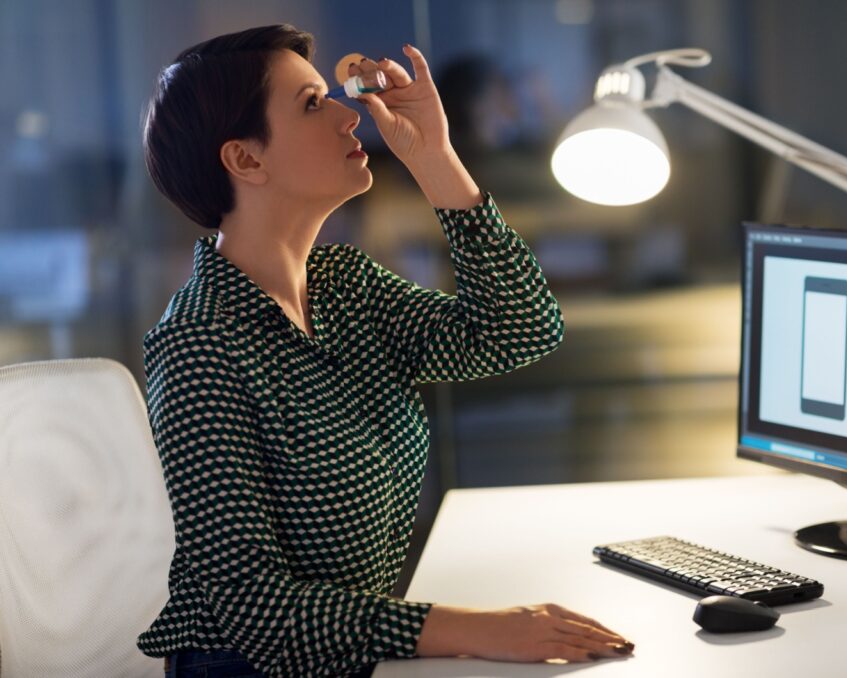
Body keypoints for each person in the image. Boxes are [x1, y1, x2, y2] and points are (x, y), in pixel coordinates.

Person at [138, 24, 634, 677]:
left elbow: (519, 329)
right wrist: (474, 629)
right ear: (246, 160)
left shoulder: (346, 287)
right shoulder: (201, 345)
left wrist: (433, 155)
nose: (350, 115)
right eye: (313, 104)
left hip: (362, 653)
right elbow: (254, 611)